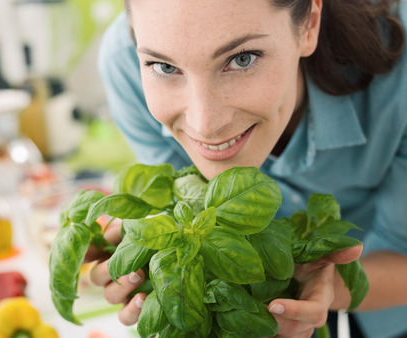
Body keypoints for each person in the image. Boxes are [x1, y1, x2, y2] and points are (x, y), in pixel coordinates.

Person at [89, 0, 407, 337]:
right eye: (165, 67)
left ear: (309, 24)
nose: (205, 124)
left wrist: (331, 285)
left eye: (242, 59)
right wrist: (151, 253)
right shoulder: (123, 63)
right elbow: (188, 197)